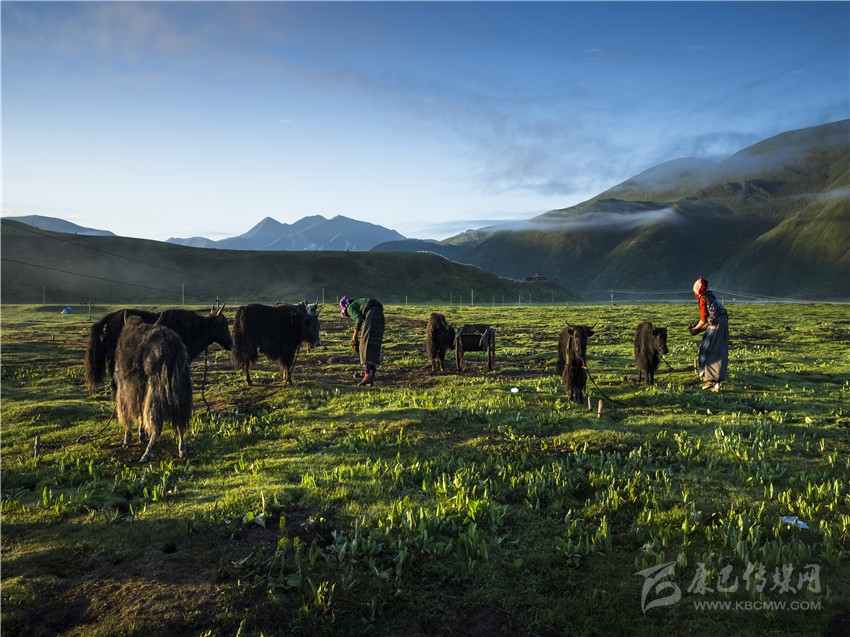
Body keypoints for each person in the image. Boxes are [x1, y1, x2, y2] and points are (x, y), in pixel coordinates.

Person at [688, 276, 729, 392]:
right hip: (723, 325)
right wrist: (700, 330)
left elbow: (703, 319)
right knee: (719, 352)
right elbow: (714, 319)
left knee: (706, 351)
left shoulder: (703, 299)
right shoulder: (711, 297)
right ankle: (717, 384)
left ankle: (709, 379)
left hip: (717, 326)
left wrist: (696, 328)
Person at [339, 295, 385, 386]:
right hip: (380, 316)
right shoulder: (359, 303)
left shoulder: (350, 307)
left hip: (371, 315)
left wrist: (355, 336)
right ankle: (371, 375)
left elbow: (358, 319)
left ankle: (367, 375)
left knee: (364, 346)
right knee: (373, 345)